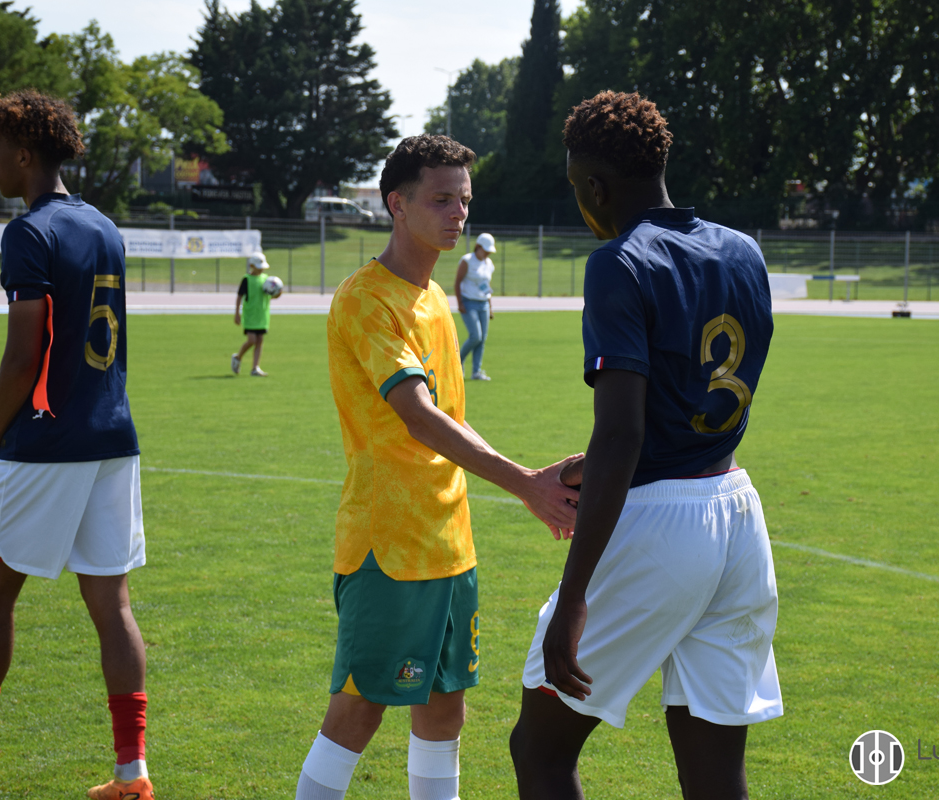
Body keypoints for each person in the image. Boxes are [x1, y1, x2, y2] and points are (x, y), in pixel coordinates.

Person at [509, 91, 783, 800]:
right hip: (737, 515)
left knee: (540, 749)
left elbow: (623, 432)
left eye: (578, 187)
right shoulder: (744, 251)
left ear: (595, 187)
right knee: (715, 771)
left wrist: (574, 596)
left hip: (660, 526)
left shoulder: (618, 262)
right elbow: (690, 398)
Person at [294, 134, 580, 800]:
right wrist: (525, 483)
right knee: (360, 709)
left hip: (450, 544)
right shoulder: (366, 299)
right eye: (442, 199)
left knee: (445, 710)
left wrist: (529, 481)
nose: (459, 214)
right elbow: (418, 417)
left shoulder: (433, 302)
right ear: (397, 203)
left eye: (465, 200)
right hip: (388, 546)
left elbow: (451, 416)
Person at [0, 91, 153, 799]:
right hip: (113, 437)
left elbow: (24, 354)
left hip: (45, 442)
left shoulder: (29, 231)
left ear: (25, 153)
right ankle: (131, 774)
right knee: (113, 605)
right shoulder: (104, 226)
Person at [454, 233, 497, 381]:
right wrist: (460, 303)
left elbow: (486, 286)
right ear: (478, 247)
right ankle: (458, 362)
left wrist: (490, 306)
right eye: (485, 250)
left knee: (482, 338)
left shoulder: (489, 263)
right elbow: (457, 282)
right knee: (475, 336)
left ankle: (476, 372)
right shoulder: (467, 260)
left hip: (483, 303)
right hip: (469, 302)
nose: (488, 253)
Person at [231, 252, 272, 377]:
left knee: (259, 341)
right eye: (258, 267)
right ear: (252, 266)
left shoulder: (266, 279)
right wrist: (237, 313)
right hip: (250, 315)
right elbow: (239, 296)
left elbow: (271, 294)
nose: (261, 270)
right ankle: (238, 357)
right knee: (251, 340)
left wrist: (278, 293)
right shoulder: (247, 279)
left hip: (262, 316)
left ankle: (255, 368)